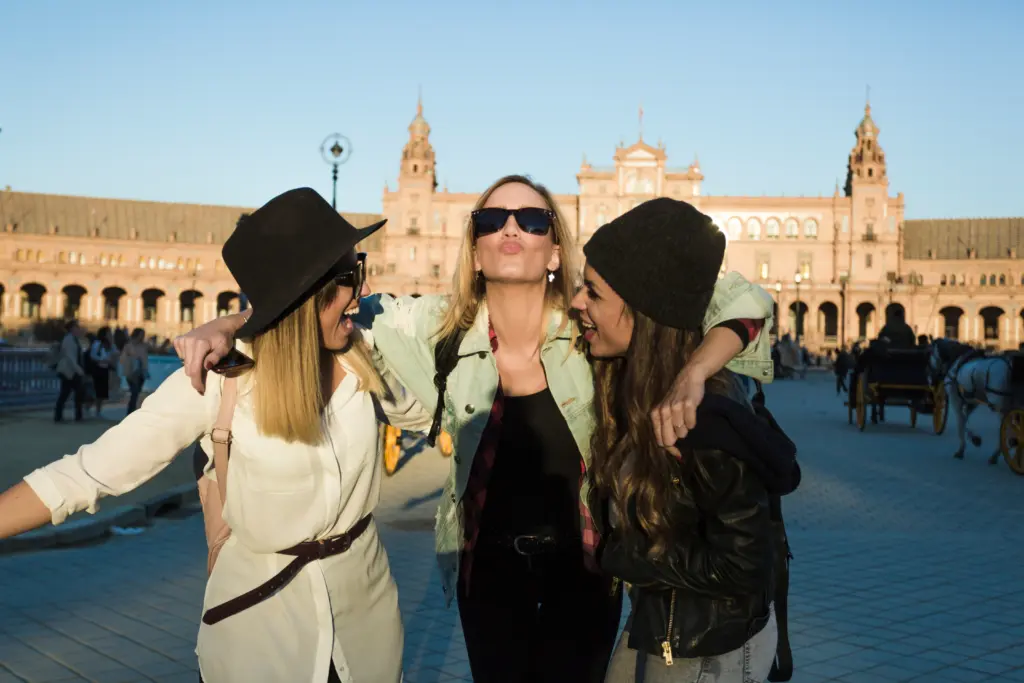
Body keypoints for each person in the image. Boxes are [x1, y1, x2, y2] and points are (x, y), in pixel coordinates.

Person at [176, 175, 775, 682]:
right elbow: (315, 302)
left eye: (532, 220)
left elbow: (739, 295)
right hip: (485, 571)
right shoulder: (436, 326)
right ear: (475, 243)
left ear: (557, 250)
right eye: (493, 218)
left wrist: (696, 369)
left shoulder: (594, 324)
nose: (511, 228)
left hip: (590, 568)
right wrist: (233, 323)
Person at [0, 188, 430, 683]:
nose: (363, 289)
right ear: (307, 294)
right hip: (259, 630)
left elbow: (429, 405)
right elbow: (89, 473)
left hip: (366, 628)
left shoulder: (365, 353)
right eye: (352, 276)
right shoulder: (219, 379)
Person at [571, 198, 800, 682]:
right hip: (665, 629)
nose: (576, 303)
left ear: (642, 310)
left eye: (591, 292)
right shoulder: (637, 384)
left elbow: (744, 565)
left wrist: (622, 553)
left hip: (707, 650)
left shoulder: (698, 418)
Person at [53, 319, 86, 422]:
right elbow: (70, 357)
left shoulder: (74, 339)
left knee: (71, 393)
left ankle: (75, 415)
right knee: (68, 393)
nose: (79, 329)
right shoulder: (68, 340)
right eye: (77, 327)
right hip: (68, 371)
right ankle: (72, 416)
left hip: (72, 371)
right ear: (72, 328)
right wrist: (79, 369)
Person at [121, 327, 150, 414]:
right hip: (131, 372)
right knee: (134, 392)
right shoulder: (129, 346)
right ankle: (130, 412)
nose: (142, 337)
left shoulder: (144, 346)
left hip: (141, 372)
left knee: (136, 393)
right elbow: (123, 359)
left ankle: (132, 411)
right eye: (141, 335)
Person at [87, 326, 113, 417]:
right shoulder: (98, 344)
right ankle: (89, 406)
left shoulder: (109, 345)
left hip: (105, 369)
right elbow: (93, 356)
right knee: (96, 390)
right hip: (98, 369)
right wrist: (102, 360)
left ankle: (98, 410)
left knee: (102, 392)